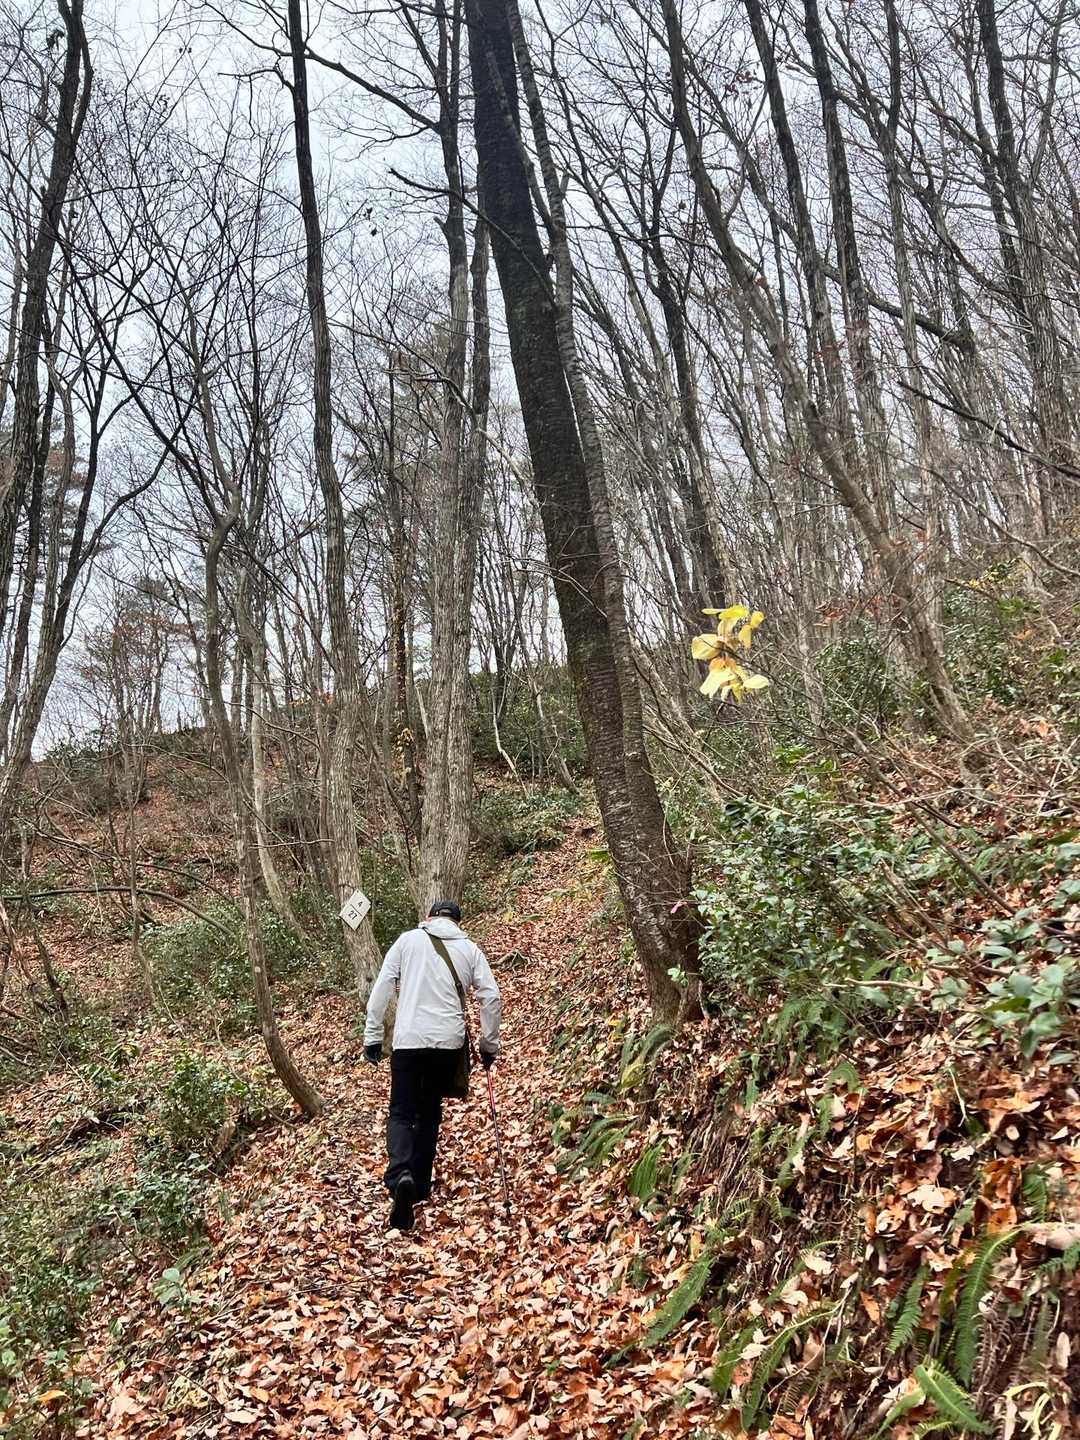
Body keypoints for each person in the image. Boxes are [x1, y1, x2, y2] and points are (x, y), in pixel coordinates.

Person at [363, 899, 501, 1231]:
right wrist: (488, 1045)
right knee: (429, 1111)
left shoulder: (407, 941)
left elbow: (382, 987)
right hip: (447, 1043)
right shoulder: (469, 949)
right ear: (457, 922)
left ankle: (400, 1175)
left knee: (401, 1111)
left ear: (429, 917)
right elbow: (491, 997)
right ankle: (420, 1183)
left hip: (408, 1040)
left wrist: (373, 1035)